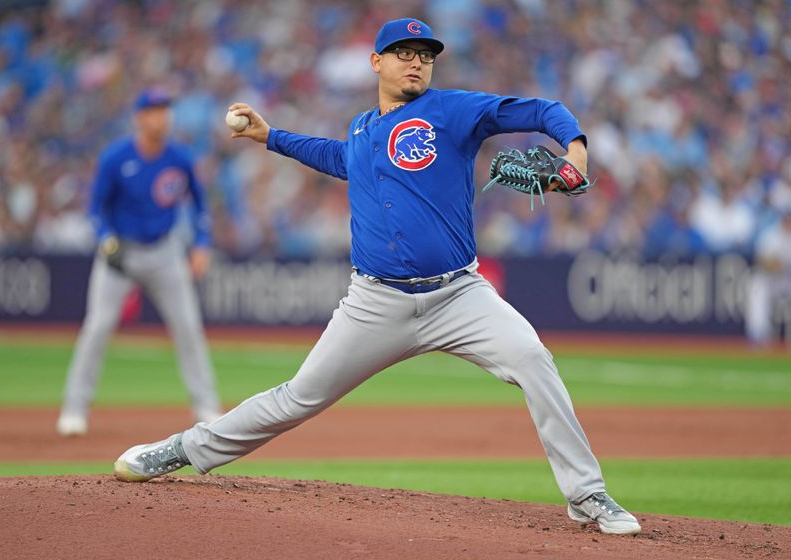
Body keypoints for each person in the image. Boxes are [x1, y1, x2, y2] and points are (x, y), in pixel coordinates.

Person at [114, 19, 641, 536]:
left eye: (426, 55)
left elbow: (542, 110)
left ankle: (587, 495)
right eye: (405, 53)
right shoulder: (363, 128)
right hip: (375, 304)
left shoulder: (451, 110)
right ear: (377, 62)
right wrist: (270, 137)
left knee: (533, 359)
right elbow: (341, 158)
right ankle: (182, 449)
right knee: (298, 397)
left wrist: (574, 148)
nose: (417, 62)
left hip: (459, 295)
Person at [56, 88, 222, 436]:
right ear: (139, 118)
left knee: (188, 327)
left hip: (165, 251)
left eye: (165, 110)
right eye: (154, 111)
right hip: (122, 254)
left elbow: (201, 204)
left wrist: (202, 243)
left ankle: (206, 405)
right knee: (97, 327)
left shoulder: (179, 156)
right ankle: (74, 408)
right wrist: (105, 238)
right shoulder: (116, 157)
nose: (162, 117)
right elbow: (95, 208)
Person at [745, 208, 791, 346]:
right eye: (787, 219)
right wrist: (778, 265)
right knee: (756, 288)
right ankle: (759, 338)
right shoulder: (771, 235)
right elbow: (763, 261)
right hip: (770, 279)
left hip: (788, 280)